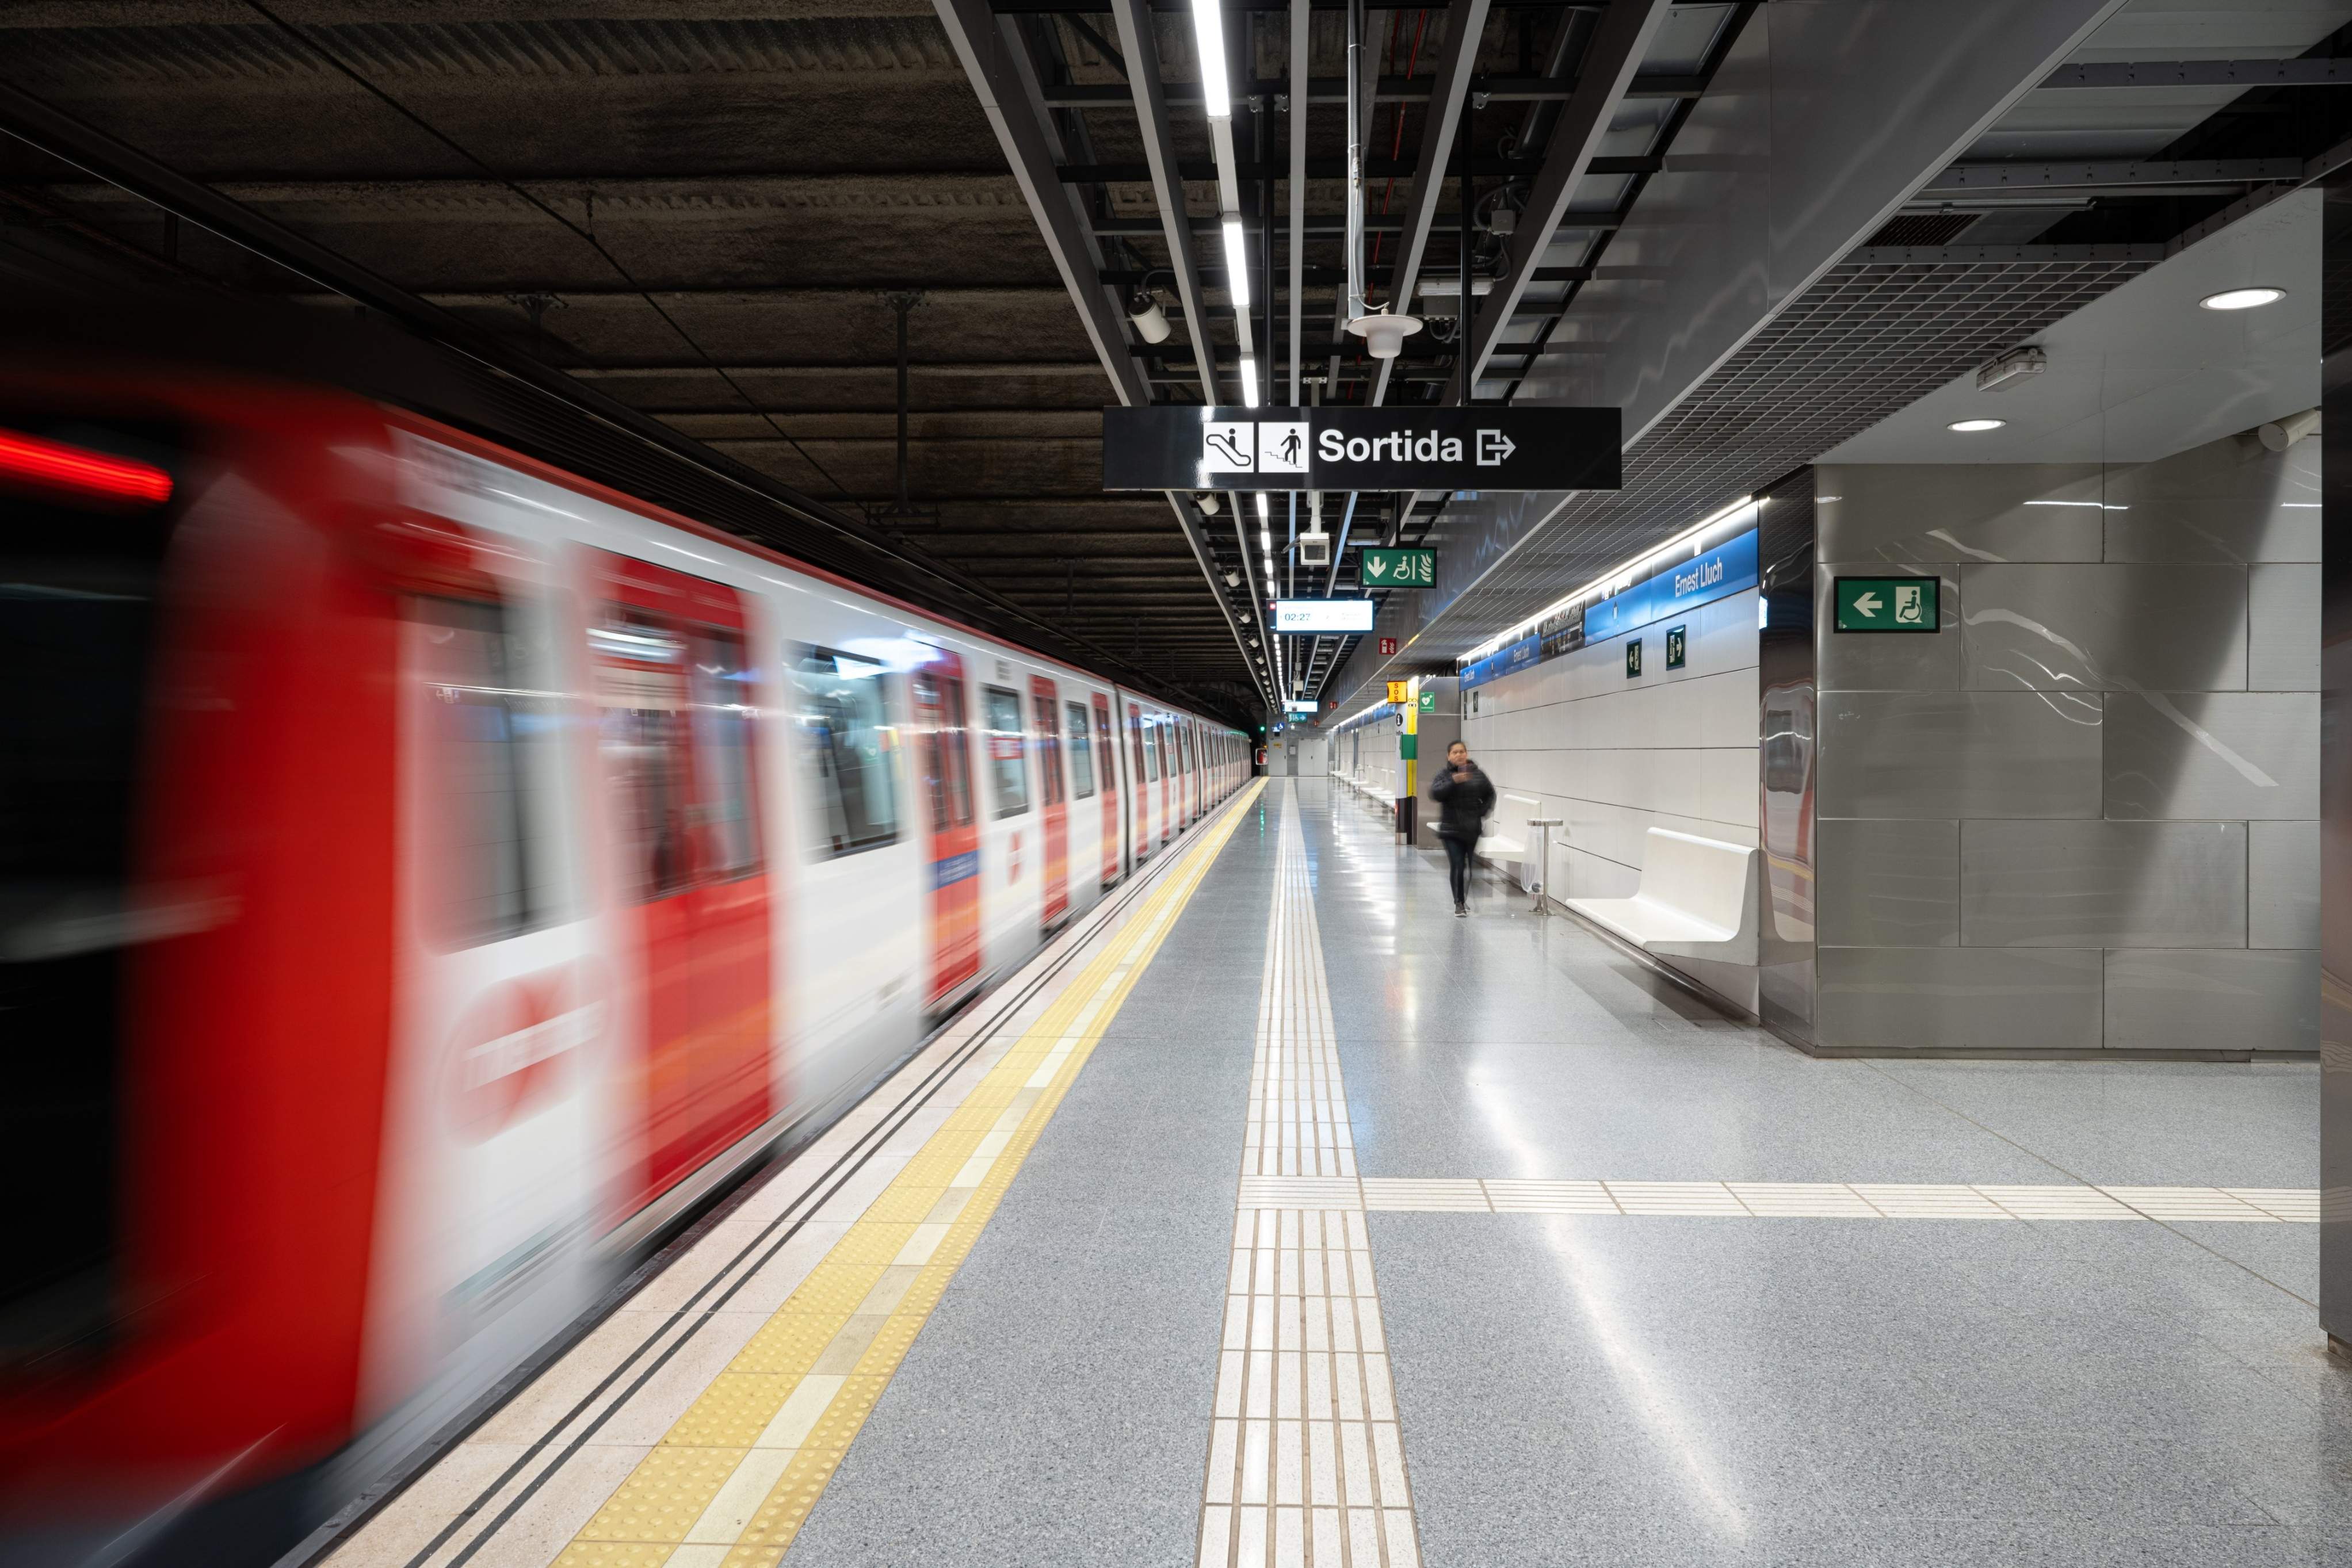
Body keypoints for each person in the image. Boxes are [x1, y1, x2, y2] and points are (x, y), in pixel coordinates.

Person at [1427, 739, 1495, 916]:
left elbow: (1490, 794)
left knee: (1469, 868)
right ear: (1449, 756)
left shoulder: (1477, 774)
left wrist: (1481, 811)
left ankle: (1462, 898)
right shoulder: (1444, 774)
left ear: (1467, 754)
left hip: (1471, 829)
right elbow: (1435, 794)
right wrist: (1454, 781)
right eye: (1455, 752)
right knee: (1457, 865)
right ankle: (1459, 903)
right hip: (1451, 829)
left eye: (1462, 752)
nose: (1459, 755)